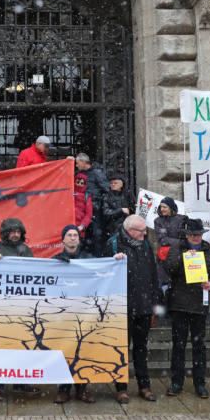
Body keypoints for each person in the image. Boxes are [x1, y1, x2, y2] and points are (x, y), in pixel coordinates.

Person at [162, 217, 210, 399]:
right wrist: (185, 256)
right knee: (178, 346)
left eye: (199, 235)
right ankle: (176, 382)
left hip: (199, 305)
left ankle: (199, 383)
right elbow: (168, 268)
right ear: (186, 234)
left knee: (199, 346)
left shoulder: (209, 253)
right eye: (192, 235)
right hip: (179, 304)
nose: (196, 238)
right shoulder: (176, 248)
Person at [107, 215, 161, 403]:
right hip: (122, 308)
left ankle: (144, 386)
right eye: (142, 230)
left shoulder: (146, 245)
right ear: (130, 231)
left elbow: (154, 275)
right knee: (121, 349)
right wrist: (112, 261)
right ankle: (121, 388)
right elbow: (103, 274)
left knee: (141, 348)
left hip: (144, 307)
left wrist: (154, 302)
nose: (146, 233)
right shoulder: (113, 244)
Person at [0, 218, 38, 400]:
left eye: (18, 231)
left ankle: (20, 382)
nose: (16, 234)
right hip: (1, 307)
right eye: (12, 231)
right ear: (6, 233)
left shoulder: (27, 251)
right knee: (1, 345)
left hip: (22, 307)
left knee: (22, 344)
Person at [53, 225, 96, 404]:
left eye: (75, 235)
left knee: (83, 351)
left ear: (79, 239)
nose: (72, 238)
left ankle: (82, 389)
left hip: (84, 313)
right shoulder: (54, 261)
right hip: (64, 314)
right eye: (69, 235)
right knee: (64, 350)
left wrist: (117, 260)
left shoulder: (89, 259)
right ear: (63, 240)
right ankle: (63, 390)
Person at [154, 197, 186, 289]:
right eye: (161, 207)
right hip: (164, 257)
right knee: (163, 284)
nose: (162, 209)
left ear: (171, 208)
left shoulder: (181, 219)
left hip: (178, 255)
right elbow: (162, 239)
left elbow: (184, 237)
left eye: (165, 207)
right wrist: (179, 242)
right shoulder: (158, 221)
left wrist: (174, 242)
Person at [99, 173, 134, 255]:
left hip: (128, 227)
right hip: (113, 228)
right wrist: (120, 210)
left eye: (115, 183)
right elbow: (106, 213)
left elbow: (132, 209)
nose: (113, 185)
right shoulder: (107, 197)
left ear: (121, 184)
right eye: (111, 183)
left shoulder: (128, 195)